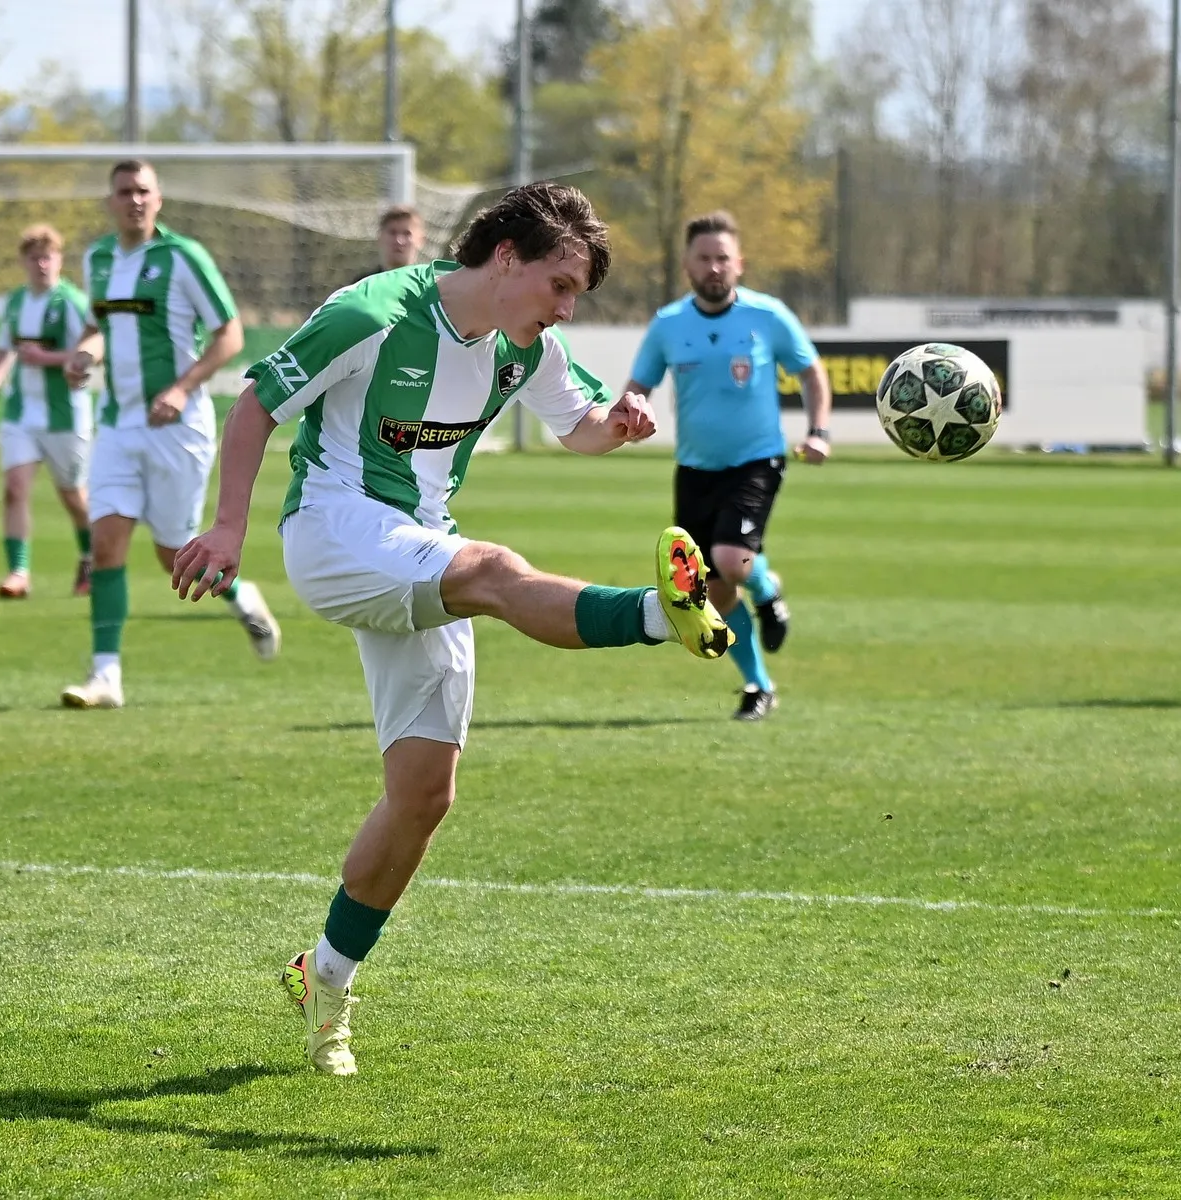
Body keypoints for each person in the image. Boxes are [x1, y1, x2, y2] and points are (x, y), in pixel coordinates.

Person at [171, 181, 732, 1076]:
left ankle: (324, 977)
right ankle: (657, 616)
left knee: (423, 797)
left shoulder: (523, 345)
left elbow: (580, 428)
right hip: (334, 528)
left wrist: (618, 425)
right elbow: (255, 406)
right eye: (559, 284)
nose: (566, 308)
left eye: (576, 294)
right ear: (505, 256)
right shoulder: (372, 313)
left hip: (416, 549)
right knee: (495, 572)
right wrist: (230, 525)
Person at [59, 158, 281, 710]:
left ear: (158, 199)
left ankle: (241, 595)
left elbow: (230, 335)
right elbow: (100, 325)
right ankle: (105, 676)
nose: (134, 200)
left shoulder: (183, 257)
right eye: (124, 191)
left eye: (143, 190)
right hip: (117, 425)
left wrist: (182, 389)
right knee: (106, 542)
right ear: (110, 201)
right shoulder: (98, 258)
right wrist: (85, 352)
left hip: (177, 429)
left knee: (171, 553)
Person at [625, 210, 832, 722]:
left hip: (756, 460)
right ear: (687, 265)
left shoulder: (768, 316)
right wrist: (624, 418)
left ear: (740, 263)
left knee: (729, 559)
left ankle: (762, 585)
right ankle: (759, 684)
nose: (714, 267)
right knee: (713, 589)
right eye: (704, 258)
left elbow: (811, 372)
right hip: (695, 468)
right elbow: (638, 386)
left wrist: (819, 431)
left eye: (723, 258)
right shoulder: (669, 324)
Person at [0, 224, 93, 600]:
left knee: (73, 497)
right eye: (34, 258)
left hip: (65, 415)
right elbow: (5, 347)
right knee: (14, 489)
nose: (42, 264)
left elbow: (91, 349)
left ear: (59, 260)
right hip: (21, 413)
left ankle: (90, 557)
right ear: (24, 262)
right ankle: (18, 573)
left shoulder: (72, 302)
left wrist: (48, 358)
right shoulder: (16, 301)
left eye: (48, 257)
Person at [353, 204, 425, 282]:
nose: (399, 240)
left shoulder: (429, 285)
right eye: (393, 233)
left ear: (421, 240)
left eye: (407, 233)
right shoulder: (363, 284)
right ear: (380, 237)